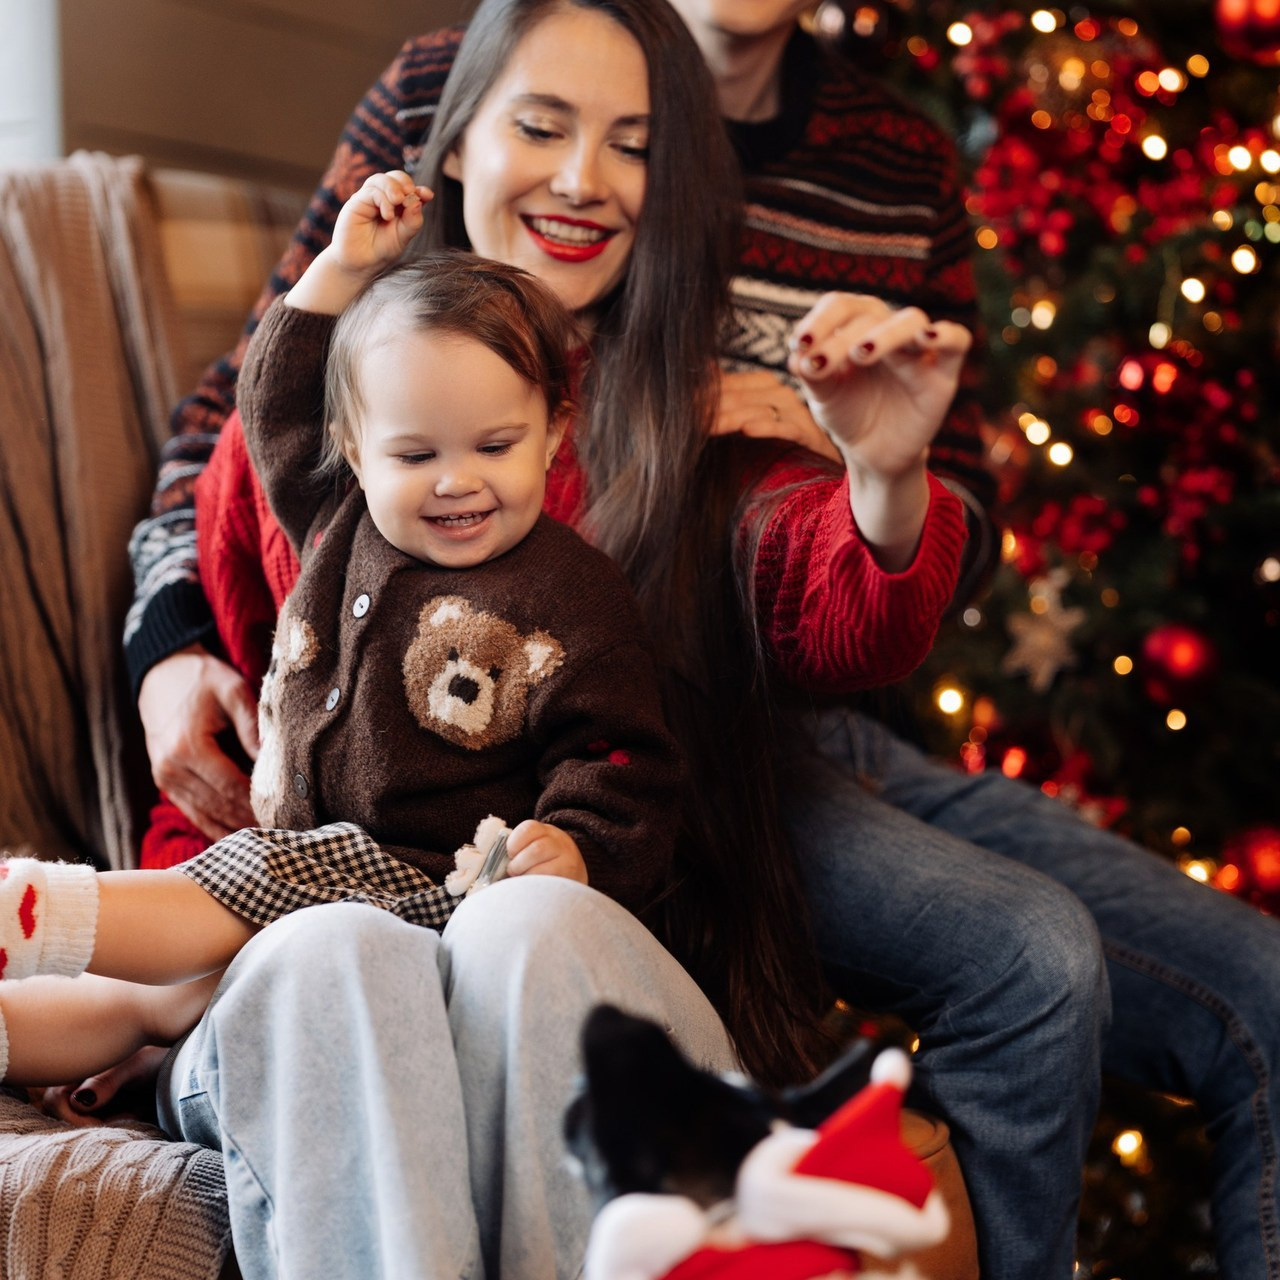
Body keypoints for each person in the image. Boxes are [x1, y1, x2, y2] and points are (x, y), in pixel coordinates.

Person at [99, 1, 1280, 1277]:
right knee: (323, 959)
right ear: (451, 148)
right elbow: (254, 473)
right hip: (362, 909)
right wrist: (168, 696)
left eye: (632, 147)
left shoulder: (691, 409)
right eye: (539, 128)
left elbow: (824, 594)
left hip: (730, 758)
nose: (579, 176)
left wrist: (882, 474)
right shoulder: (330, 422)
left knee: (1029, 952)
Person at [0, 243, 686, 1087]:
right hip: (308, 878)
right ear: (354, 452)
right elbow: (274, 400)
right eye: (415, 455)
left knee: (236, 879)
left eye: (494, 445)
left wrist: (578, 850)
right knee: (142, 998)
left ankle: (29, 908)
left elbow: (624, 765)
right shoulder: (336, 521)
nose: (457, 482)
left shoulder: (575, 596)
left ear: (553, 432)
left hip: (429, 895)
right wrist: (332, 275)